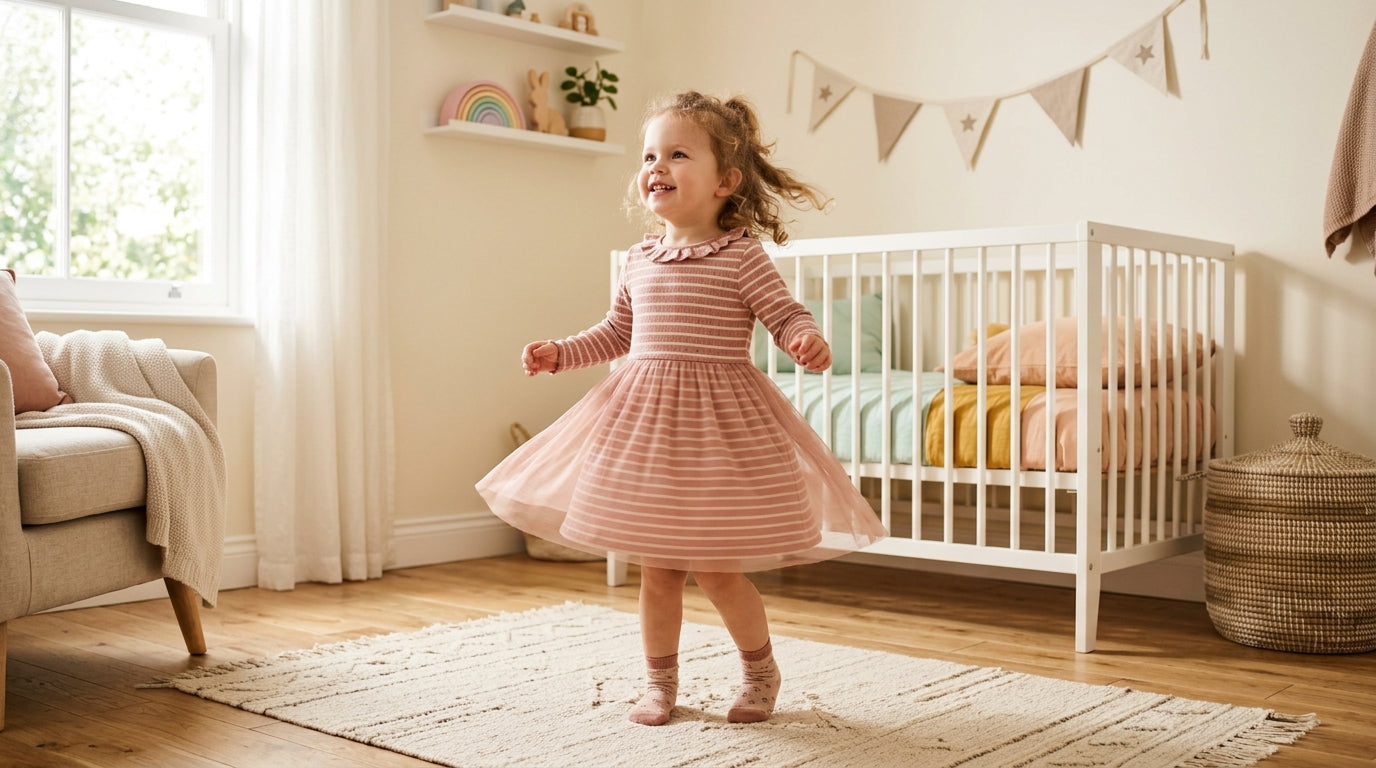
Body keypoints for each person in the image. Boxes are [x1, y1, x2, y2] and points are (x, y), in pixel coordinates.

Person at [476, 91, 887, 726]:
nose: (656, 166)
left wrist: (804, 338)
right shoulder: (639, 260)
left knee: (718, 572)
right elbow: (616, 333)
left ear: (726, 180)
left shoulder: (742, 256)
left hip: (718, 433)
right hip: (647, 432)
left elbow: (785, 312)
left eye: (676, 153)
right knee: (659, 573)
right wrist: (560, 353)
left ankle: (760, 671)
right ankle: (660, 685)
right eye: (649, 155)